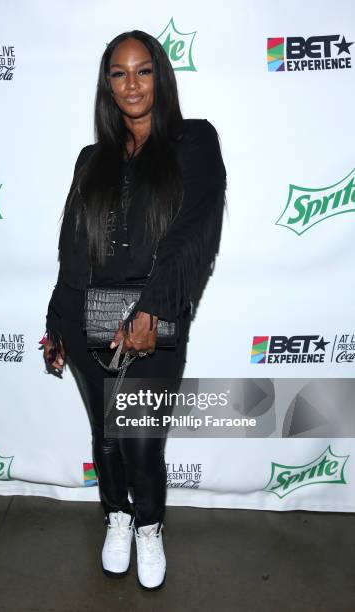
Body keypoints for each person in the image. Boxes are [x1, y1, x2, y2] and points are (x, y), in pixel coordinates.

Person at [41, 30, 227, 590]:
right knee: (106, 436)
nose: (132, 84)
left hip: (153, 316)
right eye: (119, 73)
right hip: (86, 316)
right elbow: (73, 245)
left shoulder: (193, 141)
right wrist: (56, 321)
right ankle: (117, 516)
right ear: (107, 84)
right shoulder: (91, 158)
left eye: (142, 70)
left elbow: (196, 229)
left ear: (160, 76)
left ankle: (149, 524)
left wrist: (152, 312)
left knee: (141, 440)